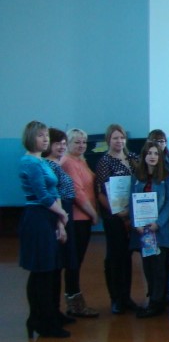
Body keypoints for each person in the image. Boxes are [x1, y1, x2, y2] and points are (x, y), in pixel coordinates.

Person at [19, 121, 71, 338]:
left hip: (50, 216)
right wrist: (63, 214)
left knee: (51, 270)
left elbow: (54, 190)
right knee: (41, 271)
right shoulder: (29, 162)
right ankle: (40, 320)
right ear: (31, 138)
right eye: (41, 136)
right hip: (38, 218)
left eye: (46, 136)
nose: (45, 139)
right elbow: (42, 195)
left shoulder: (41, 161)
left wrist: (59, 221)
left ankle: (47, 315)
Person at [129, 141, 169, 318]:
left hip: (161, 230)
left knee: (159, 266)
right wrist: (136, 223)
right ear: (144, 156)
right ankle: (156, 296)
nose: (152, 156)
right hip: (143, 231)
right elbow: (132, 200)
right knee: (148, 265)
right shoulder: (137, 176)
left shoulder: (168, 176)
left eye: (156, 153)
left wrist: (159, 223)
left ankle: (156, 302)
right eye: (149, 153)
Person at [96, 124, 139, 314]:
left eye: (121, 137)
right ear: (108, 140)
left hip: (132, 214)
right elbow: (100, 192)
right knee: (115, 256)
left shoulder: (133, 158)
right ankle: (116, 299)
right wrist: (117, 212)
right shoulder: (104, 161)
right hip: (114, 217)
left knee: (127, 256)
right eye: (115, 138)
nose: (119, 141)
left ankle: (126, 297)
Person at [60, 128, 100, 317]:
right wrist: (93, 214)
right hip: (77, 219)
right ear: (68, 143)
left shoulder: (80, 160)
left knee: (77, 261)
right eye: (77, 142)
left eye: (84, 142)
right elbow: (77, 193)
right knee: (73, 262)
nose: (82, 145)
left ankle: (74, 300)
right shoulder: (68, 162)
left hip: (83, 219)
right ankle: (74, 303)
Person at [43, 128, 79, 326]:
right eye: (58, 143)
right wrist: (60, 222)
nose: (62, 147)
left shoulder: (57, 163)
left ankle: (56, 310)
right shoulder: (48, 165)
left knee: (62, 263)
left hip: (65, 211)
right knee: (55, 265)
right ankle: (51, 311)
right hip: (58, 214)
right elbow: (52, 196)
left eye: (64, 143)